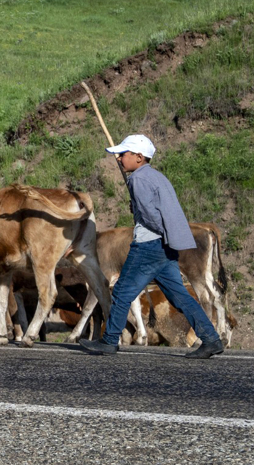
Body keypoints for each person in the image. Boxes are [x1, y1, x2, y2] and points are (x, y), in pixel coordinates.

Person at [79, 134, 225, 359]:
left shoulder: (138, 180)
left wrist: (144, 217)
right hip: (166, 247)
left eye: (123, 154)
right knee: (179, 296)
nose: (119, 158)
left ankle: (110, 340)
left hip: (148, 246)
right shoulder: (157, 177)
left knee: (121, 291)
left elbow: (151, 217)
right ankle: (212, 339)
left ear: (139, 157)